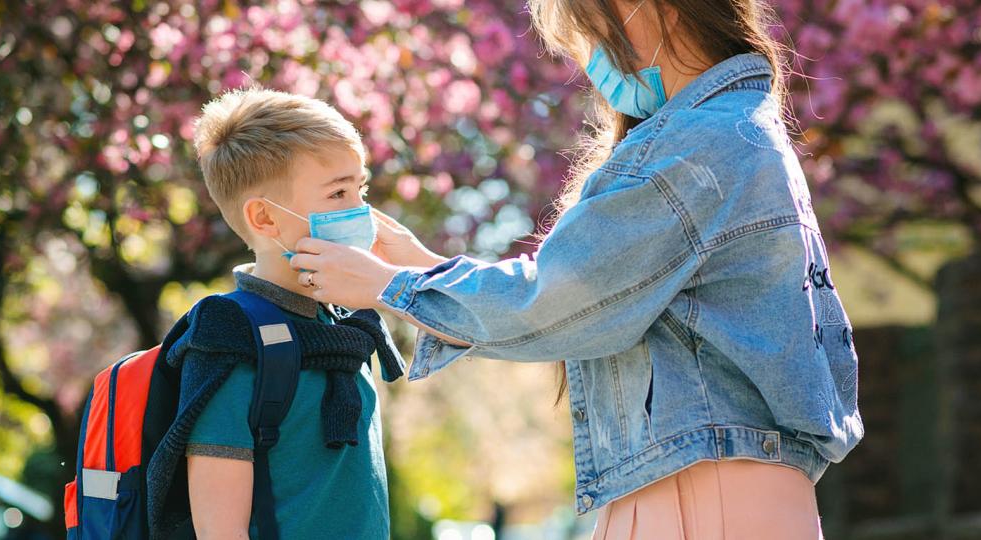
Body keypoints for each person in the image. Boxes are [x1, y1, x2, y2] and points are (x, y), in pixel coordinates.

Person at [285, 0, 863, 538]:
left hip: (699, 486)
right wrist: (422, 267)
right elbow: (589, 292)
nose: (589, 64)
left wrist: (393, 287)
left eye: (585, 35)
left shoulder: (696, 145)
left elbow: (557, 300)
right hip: (724, 484)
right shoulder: (733, 129)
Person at [176, 87, 399, 539]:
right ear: (265, 219)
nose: (361, 211)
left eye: (360, 188)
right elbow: (221, 532)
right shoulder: (229, 340)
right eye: (337, 193)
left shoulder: (344, 326)